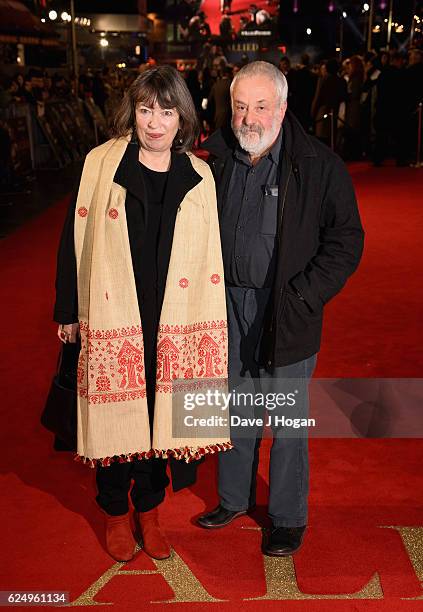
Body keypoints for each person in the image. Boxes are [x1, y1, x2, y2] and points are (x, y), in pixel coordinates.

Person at [54, 66, 231, 563]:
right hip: (115, 314)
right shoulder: (102, 164)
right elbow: (73, 240)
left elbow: (211, 256)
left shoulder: (199, 175)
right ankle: (114, 512)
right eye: (146, 110)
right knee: (118, 419)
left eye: (166, 112)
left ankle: (149, 513)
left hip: (177, 319)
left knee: (162, 420)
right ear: (132, 112)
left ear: (182, 119)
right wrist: (67, 307)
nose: (155, 123)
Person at [197, 61, 364, 556]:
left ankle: (288, 518)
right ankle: (232, 499)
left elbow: (346, 240)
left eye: (261, 106)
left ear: (283, 107)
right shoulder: (217, 156)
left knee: (288, 424)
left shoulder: (318, 164)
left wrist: (303, 296)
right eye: (241, 106)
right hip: (229, 307)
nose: (249, 118)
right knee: (235, 413)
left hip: (286, 313)